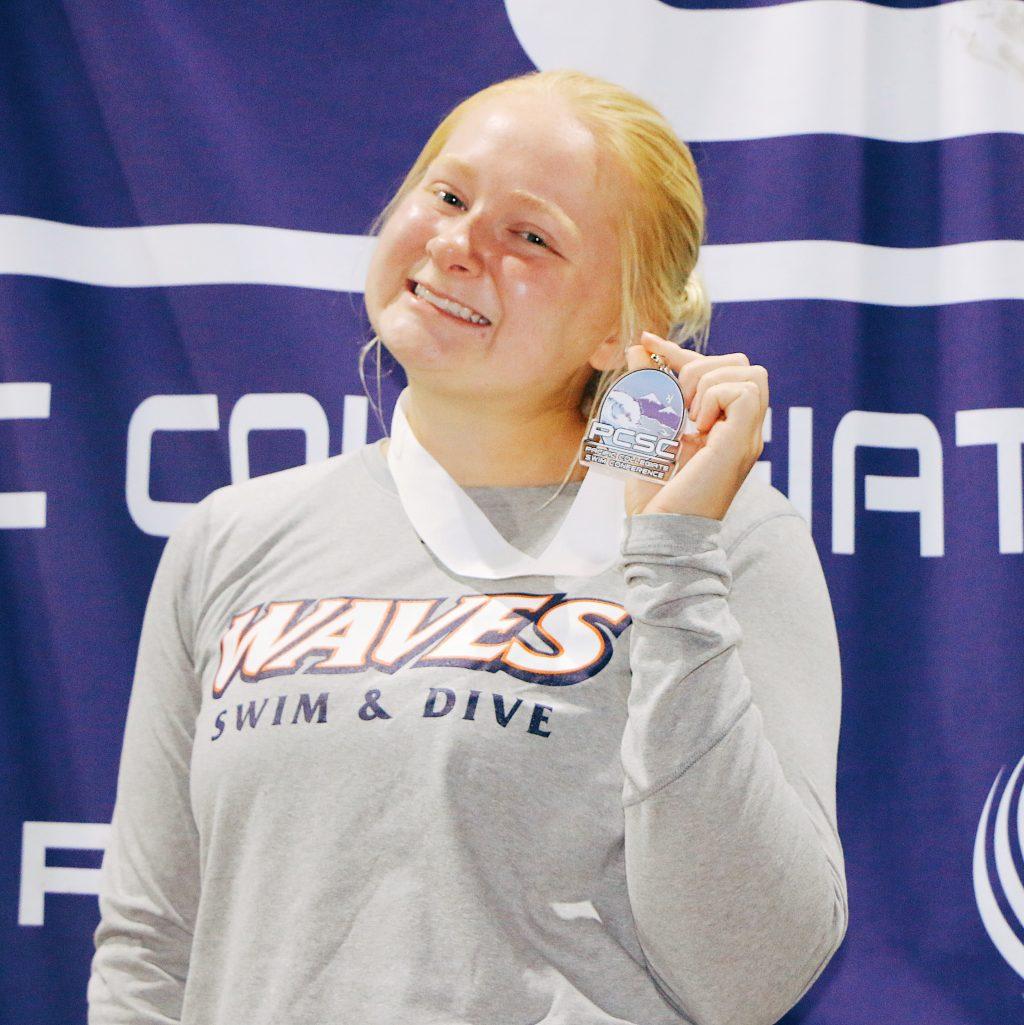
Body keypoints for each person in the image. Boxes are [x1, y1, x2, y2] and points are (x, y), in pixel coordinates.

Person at [88, 69, 847, 1025]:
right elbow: (153, 948)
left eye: (530, 236)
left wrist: (675, 552)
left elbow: (749, 974)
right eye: (448, 195)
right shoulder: (230, 537)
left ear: (624, 328)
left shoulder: (727, 540)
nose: (455, 244)